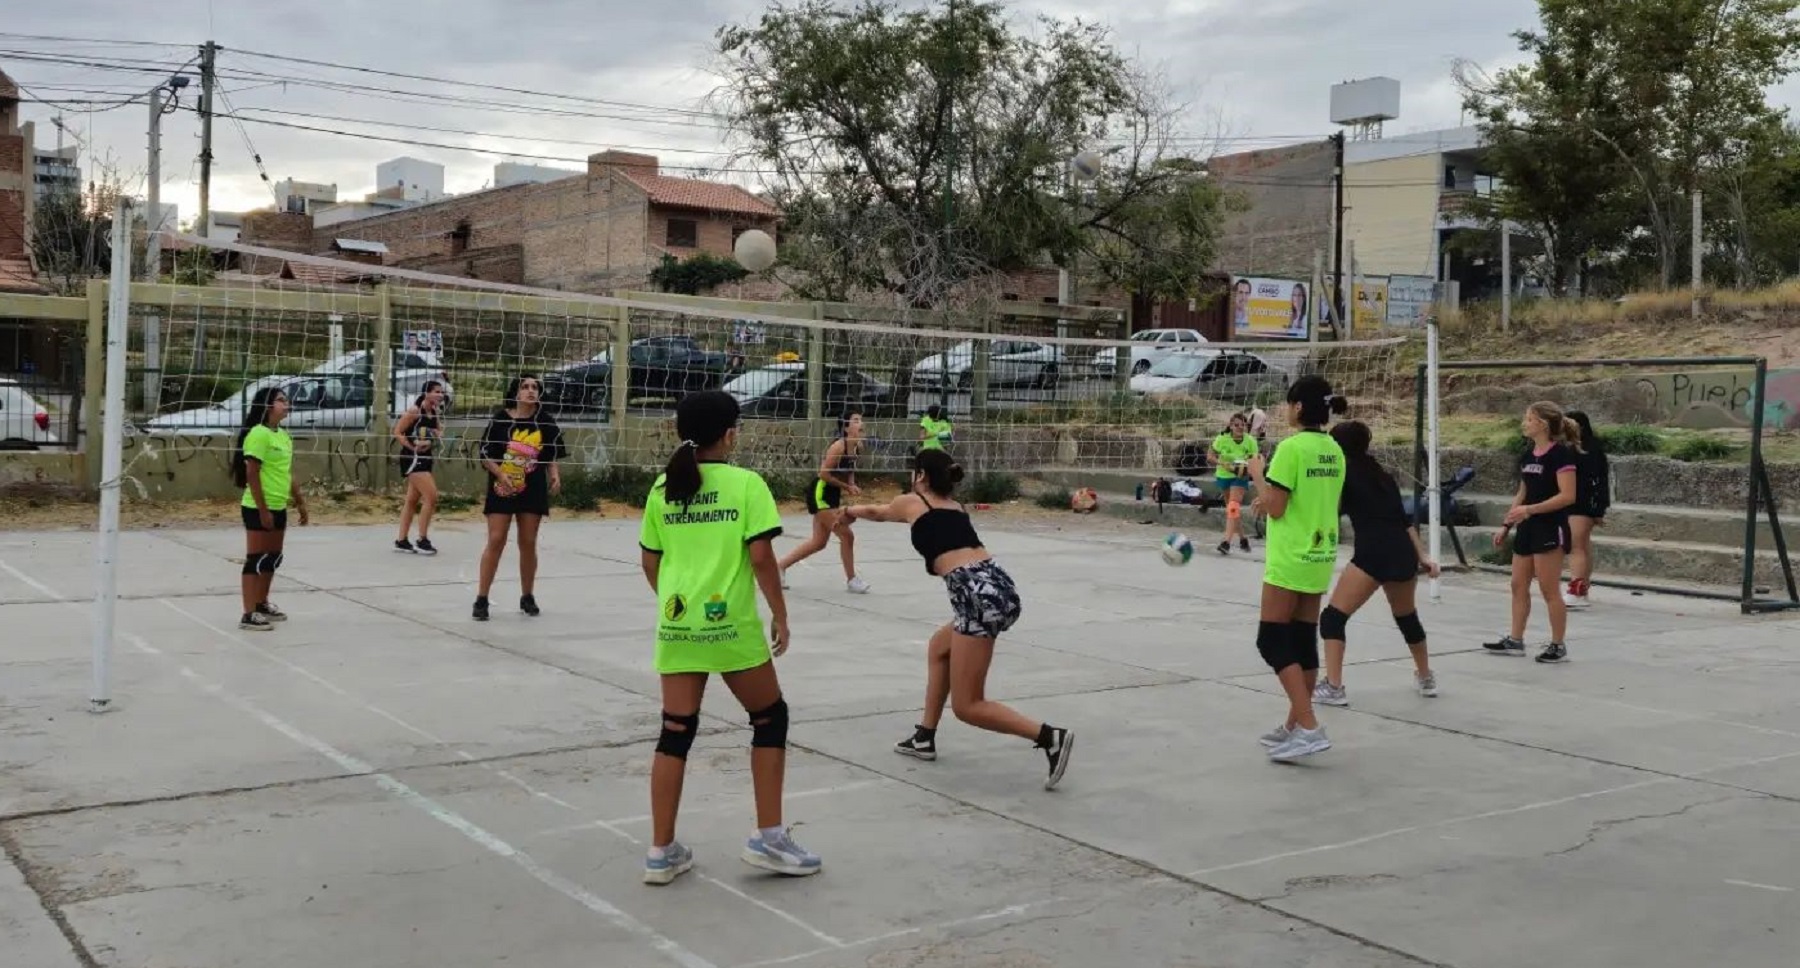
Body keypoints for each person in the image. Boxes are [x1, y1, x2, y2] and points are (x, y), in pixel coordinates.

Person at [638, 390, 820, 885]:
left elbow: (650, 562)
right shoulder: (746, 485)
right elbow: (762, 558)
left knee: (675, 731)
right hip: (731, 627)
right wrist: (781, 615)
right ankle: (769, 837)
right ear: (730, 434)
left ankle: (660, 852)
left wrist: (677, 605)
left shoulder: (662, 487)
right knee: (770, 717)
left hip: (677, 627)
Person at [845, 450, 1074, 789]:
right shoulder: (955, 507)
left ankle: (1048, 736)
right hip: (999, 584)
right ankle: (924, 736)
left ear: (921, 475)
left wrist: (847, 511)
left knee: (968, 706)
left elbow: (878, 512)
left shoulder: (912, 501)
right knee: (940, 647)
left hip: (976, 596)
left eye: (913, 471)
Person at [1245, 375, 1349, 761]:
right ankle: (1294, 726)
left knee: (1270, 640)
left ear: (1299, 407)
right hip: (1320, 555)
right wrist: (1269, 497)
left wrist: (1257, 474)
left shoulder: (1291, 449)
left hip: (1290, 558)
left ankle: (1309, 727)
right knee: (1304, 643)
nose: (1285, 411)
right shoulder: (1334, 449)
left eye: (1288, 404)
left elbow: (1277, 507)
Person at [1311, 420, 1441, 707]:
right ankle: (1426, 676)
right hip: (1402, 551)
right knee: (1407, 617)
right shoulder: (1383, 475)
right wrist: (1423, 557)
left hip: (1373, 553)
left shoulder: (1343, 474)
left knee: (1333, 618)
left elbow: (1329, 511)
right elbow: (1404, 521)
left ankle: (1333, 686)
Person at [1483, 401, 1581, 664]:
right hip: (1527, 528)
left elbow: (1568, 496)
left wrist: (1531, 510)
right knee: (1517, 585)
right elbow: (1522, 493)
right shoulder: (1527, 456)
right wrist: (1507, 524)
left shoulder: (1561, 455)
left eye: (1529, 419)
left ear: (1543, 424)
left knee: (1549, 590)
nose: (1524, 423)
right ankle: (1516, 639)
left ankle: (1558, 645)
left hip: (1550, 527)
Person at [474, 374, 565, 621]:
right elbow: (485, 454)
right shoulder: (500, 420)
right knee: (496, 539)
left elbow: (550, 453)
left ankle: (528, 596)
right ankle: (481, 598)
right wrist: (500, 474)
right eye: (525, 386)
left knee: (527, 541)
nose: (530, 390)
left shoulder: (544, 422)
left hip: (532, 487)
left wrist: (554, 474)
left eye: (535, 387)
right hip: (502, 487)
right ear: (516, 392)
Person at [231, 386, 308, 631]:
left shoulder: (283, 435)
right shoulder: (259, 434)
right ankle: (248, 613)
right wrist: (263, 510)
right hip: (256, 506)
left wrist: (300, 502)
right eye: (281, 400)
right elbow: (251, 473)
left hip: (278, 505)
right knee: (256, 558)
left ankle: (262, 603)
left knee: (273, 558)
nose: (287, 404)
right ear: (267, 406)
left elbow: (286, 472)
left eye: (286, 400)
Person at [778, 411, 869, 594]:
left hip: (832, 494)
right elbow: (823, 474)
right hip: (820, 493)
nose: (861, 423)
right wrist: (846, 486)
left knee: (819, 542)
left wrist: (851, 484)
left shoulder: (858, 446)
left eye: (861, 420)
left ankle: (780, 566)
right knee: (847, 535)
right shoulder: (837, 447)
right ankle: (852, 580)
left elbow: (850, 469)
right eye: (856, 420)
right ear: (846, 427)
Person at [393, 380, 446, 555]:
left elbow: (439, 431)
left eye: (441, 392)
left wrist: (436, 435)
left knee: (411, 500)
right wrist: (412, 446)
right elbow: (397, 432)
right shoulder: (415, 411)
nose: (440, 395)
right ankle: (422, 540)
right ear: (426, 393)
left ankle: (401, 540)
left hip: (426, 457)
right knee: (431, 497)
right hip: (413, 457)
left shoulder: (434, 412)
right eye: (437, 392)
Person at [1564, 410, 1610, 609]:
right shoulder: (1593, 447)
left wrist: (1598, 507)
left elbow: (1597, 480)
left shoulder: (1581, 449)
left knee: (1576, 547)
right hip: (1586, 502)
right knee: (1583, 545)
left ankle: (1577, 591)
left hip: (1580, 503)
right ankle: (1583, 587)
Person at [1210, 413, 1259, 555]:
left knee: (1233, 506)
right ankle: (1243, 539)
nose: (1240, 427)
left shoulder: (1250, 441)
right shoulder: (1221, 439)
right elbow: (1210, 456)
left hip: (1240, 476)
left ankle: (1226, 542)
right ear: (1231, 426)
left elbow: (1255, 460)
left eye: (1243, 425)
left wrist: (1248, 468)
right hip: (1224, 474)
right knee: (1232, 510)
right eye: (1237, 425)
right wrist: (1222, 463)